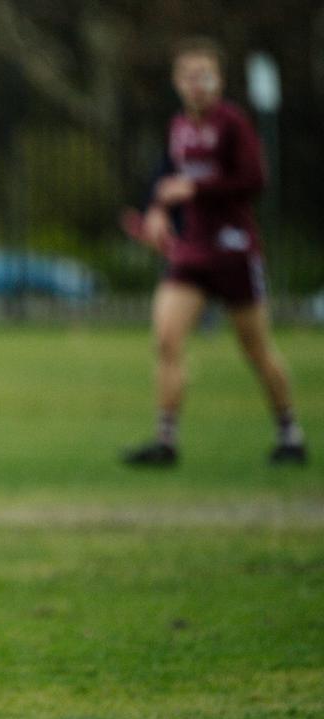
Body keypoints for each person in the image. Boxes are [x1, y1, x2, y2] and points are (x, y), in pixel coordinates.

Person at [121, 36, 307, 466]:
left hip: (234, 250)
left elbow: (254, 180)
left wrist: (197, 188)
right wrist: (157, 212)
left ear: (219, 80)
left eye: (205, 75)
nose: (197, 84)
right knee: (167, 338)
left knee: (256, 348)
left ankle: (290, 434)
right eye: (189, 76)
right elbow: (165, 181)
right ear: (176, 81)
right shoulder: (178, 127)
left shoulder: (232, 124)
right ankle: (166, 441)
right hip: (192, 251)